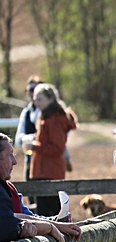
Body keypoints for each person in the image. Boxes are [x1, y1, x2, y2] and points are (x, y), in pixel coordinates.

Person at [29, 83, 78, 217]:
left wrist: (34, 146)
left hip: (49, 172)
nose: (35, 102)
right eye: (35, 98)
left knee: (50, 214)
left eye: (40, 99)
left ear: (50, 99)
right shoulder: (47, 116)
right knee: (48, 213)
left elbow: (57, 148)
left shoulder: (54, 119)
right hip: (45, 171)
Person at [14, 74, 41, 183]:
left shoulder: (48, 112)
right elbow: (18, 139)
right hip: (30, 160)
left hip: (47, 161)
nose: (32, 92)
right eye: (29, 89)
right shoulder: (26, 112)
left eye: (35, 89)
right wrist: (28, 139)